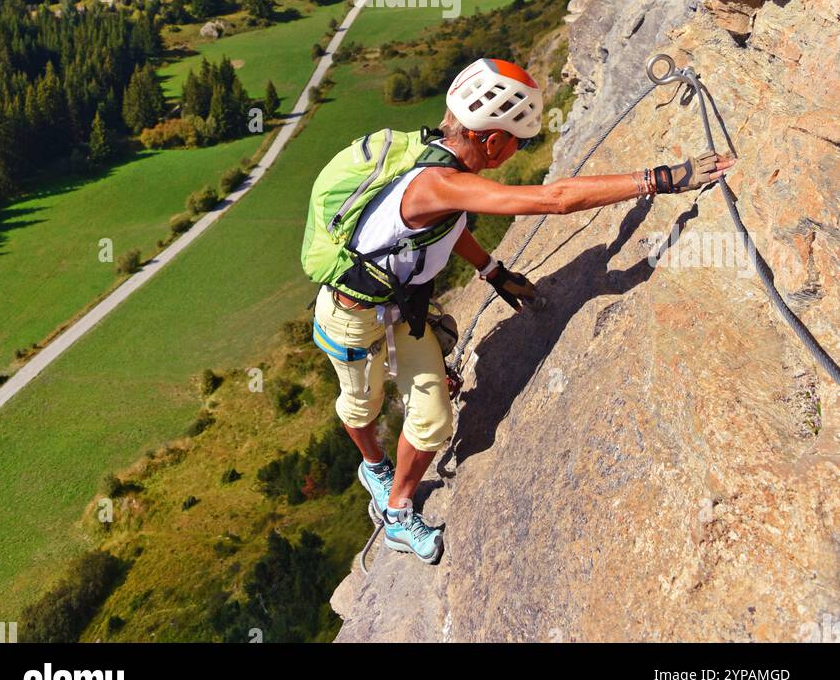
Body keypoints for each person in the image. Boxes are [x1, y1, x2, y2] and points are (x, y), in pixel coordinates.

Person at [312, 57, 735, 563]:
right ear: (492, 140)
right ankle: (374, 467)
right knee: (362, 405)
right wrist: (662, 178)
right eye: (515, 141)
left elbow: (445, 228)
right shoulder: (435, 182)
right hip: (351, 318)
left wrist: (493, 272)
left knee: (431, 419)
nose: (515, 151)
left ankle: (398, 508)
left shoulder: (442, 165)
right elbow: (552, 199)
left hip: (405, 309)